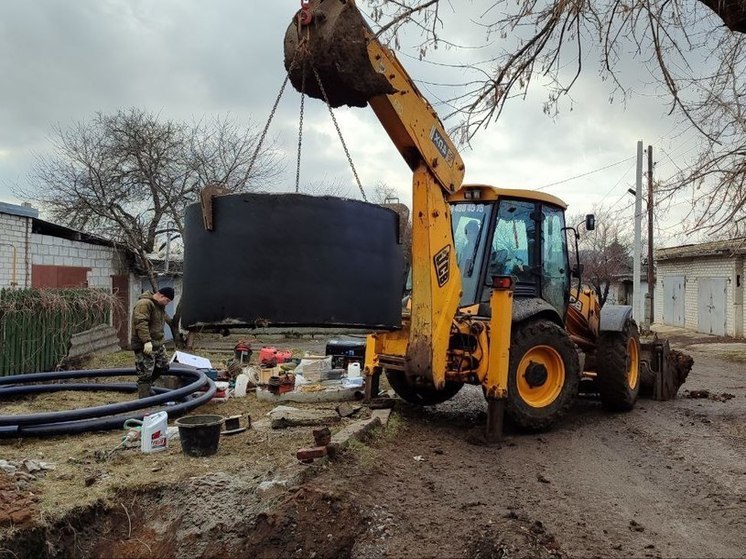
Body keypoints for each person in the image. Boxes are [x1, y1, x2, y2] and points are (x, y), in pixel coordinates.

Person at [131, 286, 174, 399]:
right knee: (145, 373)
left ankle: (147, 386)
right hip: (145, 345)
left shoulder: (159, 306)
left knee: (164, 366)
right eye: (167, 300)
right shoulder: (145, 304)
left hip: (158, 343)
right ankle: (144, 400)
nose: (167, 303)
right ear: (161, 295)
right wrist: (146, 341)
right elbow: (141, 323)